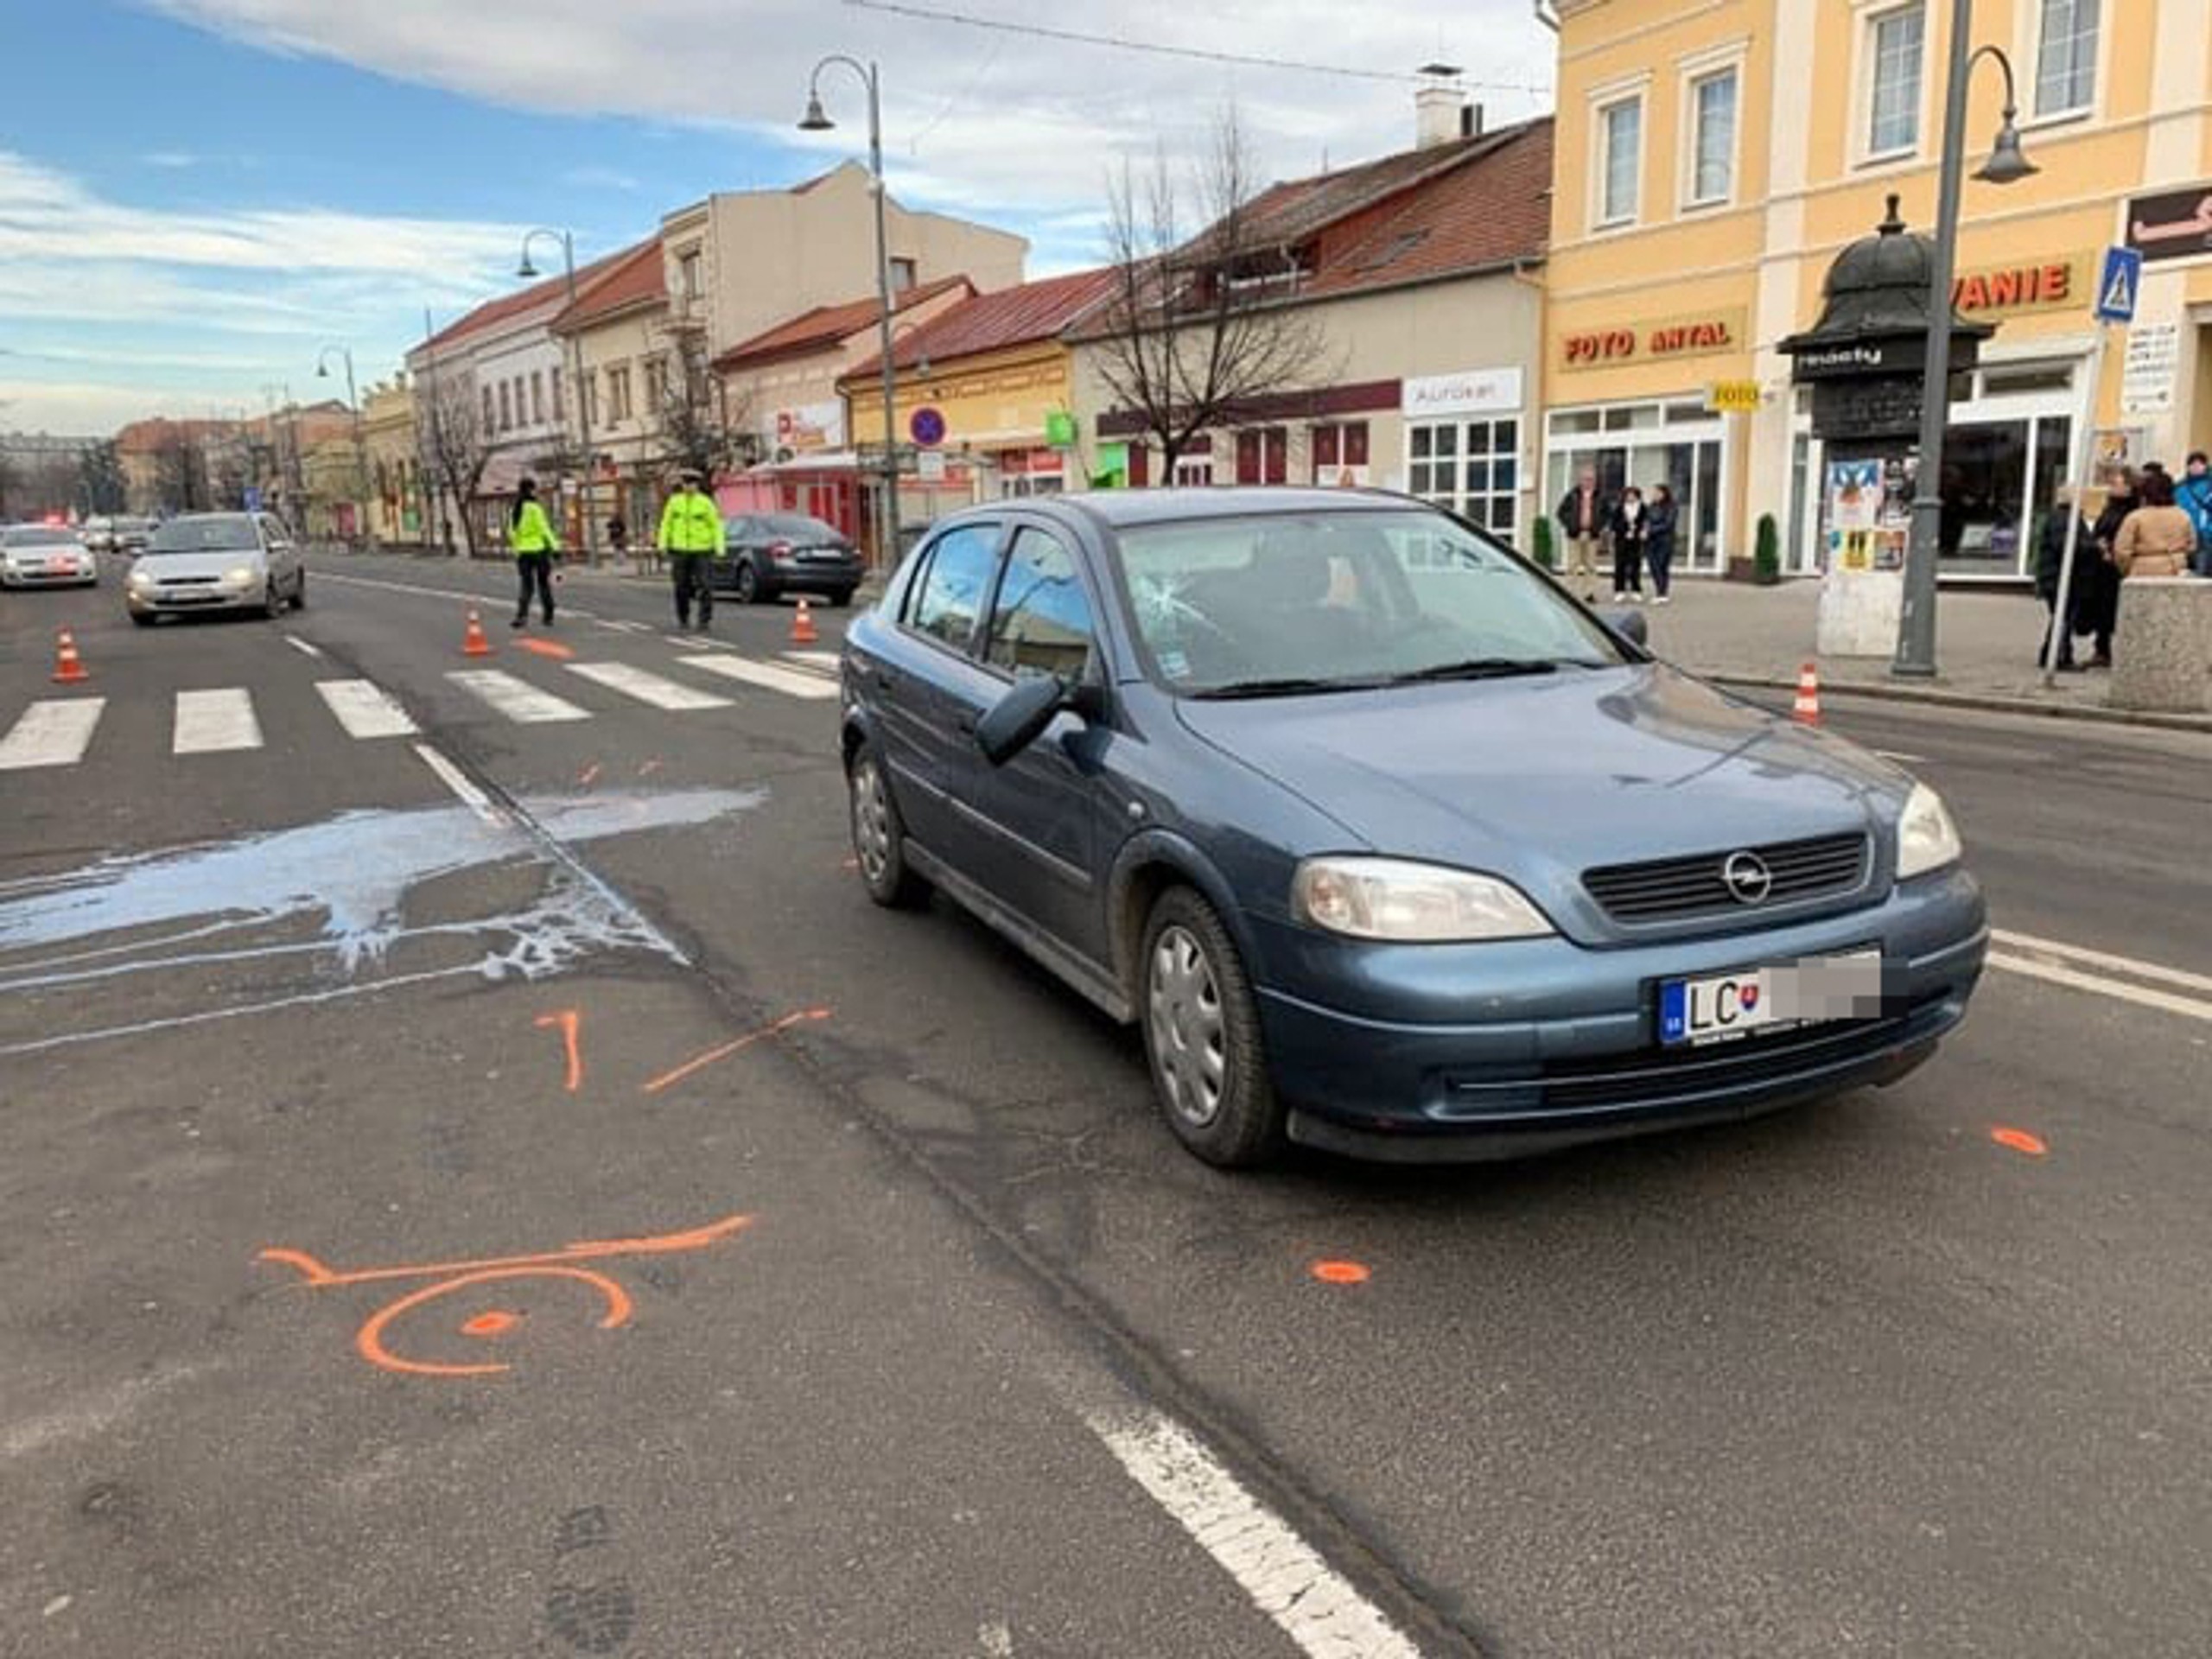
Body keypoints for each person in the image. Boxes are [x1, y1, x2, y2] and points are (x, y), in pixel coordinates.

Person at [2033, 485, 2095, 671]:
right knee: (2063, 617)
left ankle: (2054, 654)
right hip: (2061, 577)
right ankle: (2058, 657)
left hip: (2059, 576)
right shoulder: (2064, 519)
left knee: (2062, 617)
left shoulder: (2064, 517)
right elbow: (2065, 547)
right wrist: (2092, 546)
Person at [657, 469, 726, 632]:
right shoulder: (675, 502)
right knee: (681, 586)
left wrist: (720, 548)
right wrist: (662, 544)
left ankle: (704, 620)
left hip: (702, 550)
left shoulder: (705, 503)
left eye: (693, 483)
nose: (689, 487)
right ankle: (683, 618)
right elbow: (666, 524)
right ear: (683, 484)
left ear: (697, 485)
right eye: (686, 483)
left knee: (706, 587)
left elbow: (716, 526)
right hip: (680, 550)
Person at [2084, 468, 2138, 669]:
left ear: (2129, 488)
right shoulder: (2110, 507)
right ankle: (2102, 649)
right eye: (2113, 483)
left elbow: (2129, 537)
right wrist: (2097, 542)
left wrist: (2112, 550)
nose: (2113, 487)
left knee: (2117, 609)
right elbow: (2100, 528)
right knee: (2102, 609)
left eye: (2118, 483)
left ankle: (2121, 652)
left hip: (2119, 566)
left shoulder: (2132, 511)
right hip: (2102, 567)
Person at [2113, 467, 2197, 581]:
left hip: (2141, 570)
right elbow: (2192, 546)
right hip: (2175, 569)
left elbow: (2122, 550)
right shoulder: (2183, 515)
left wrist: (2128, 569)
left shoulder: (2135, 517)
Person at [508, 475, 558, 628]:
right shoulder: (535, 508)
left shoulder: (515, 509)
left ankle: (521, 616)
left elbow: (512, 533)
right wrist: (555, 547)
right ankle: (548, 615)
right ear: (531, 490)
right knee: (543, 584)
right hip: (539, 551)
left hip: (524, 553)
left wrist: (517, 549)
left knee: (526, 585)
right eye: (535, 489)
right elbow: (544, 529)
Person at [1556, 467, 1610, 579]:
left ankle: (1589, 594)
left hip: (1592, 535)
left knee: (1591, 566)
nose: (1588, 482)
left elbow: (1607, 514)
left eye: (1591, 479)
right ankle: (1570, 591)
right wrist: (1571, 525)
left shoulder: (1600, 496)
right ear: (1580, 480)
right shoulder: (1572, 495)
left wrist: (1598, 527)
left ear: (1595, 481)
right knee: (1572, 565)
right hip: (1574, 534)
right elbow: (1560, 513)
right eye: (1586, 479)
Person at [2176, 450, 2212, 577]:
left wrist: (2208, 529)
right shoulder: (2180, 486)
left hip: (2205, 535)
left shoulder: (2210, 485)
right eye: (2192, 464)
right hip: (2183, 534)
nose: (2196, 467)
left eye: (2200, 463)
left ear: (2206, 465)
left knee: (2202, 574)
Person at [1610, 485, 1647, 601]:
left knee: (1635, 565)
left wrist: (1641, 530)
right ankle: (1619, 590)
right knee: (1620, 565)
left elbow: (1646, 522)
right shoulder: (1619, 507)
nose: (1630, 497)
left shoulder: (1643, 508)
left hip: (1636, 540)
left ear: (1637, 496)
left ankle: (1636, 590)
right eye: (1628, 495)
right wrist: (1621, 529)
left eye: (1632, 495)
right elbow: (1613, 523)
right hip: (1621, 539)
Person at [1644, 482, 1679, 604]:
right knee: (1653, 566)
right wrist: (1645, 529)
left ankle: (1661, 593)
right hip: (1651, 541)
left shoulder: (1671, 506)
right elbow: (1647, 520)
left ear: (1664, 493)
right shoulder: (1651, 506)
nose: (1654, 494)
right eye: (1653, 492)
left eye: (1657, 492)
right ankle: (1661, 592)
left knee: (1662, 566)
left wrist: (1651, 530)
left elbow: (1668, 524)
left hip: (1665, 540)